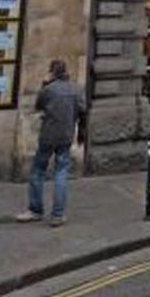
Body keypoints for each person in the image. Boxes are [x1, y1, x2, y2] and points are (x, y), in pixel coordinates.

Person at [18, 59, 87, 227]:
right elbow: (83, 112)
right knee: (61, 173)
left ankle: (35, 209)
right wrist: (82, 134)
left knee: (37, 171)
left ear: (52, 72)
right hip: (66, 135)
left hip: (48, 135)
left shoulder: (48, 90)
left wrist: (44, 83)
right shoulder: (76, 89)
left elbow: (38, 106)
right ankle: (58, 214)